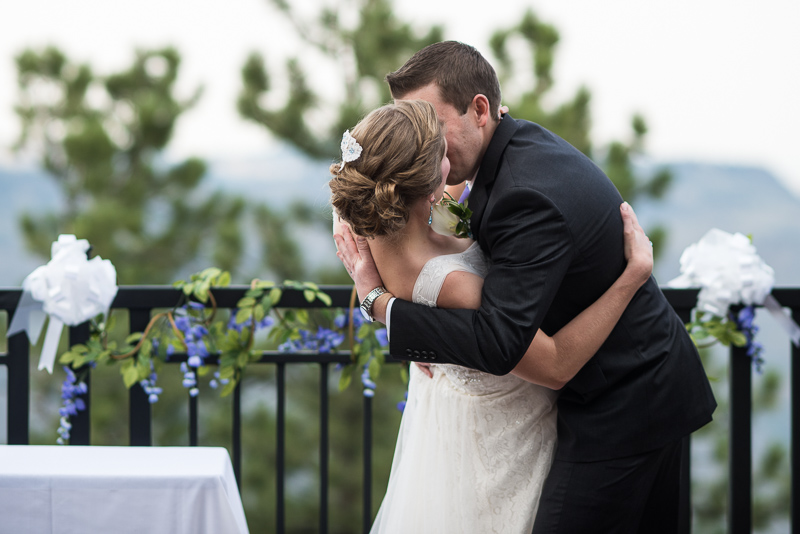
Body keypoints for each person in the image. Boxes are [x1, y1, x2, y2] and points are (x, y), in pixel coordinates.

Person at [334, 42, 717, 533]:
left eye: (430, 122)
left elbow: (503, 343)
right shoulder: (480, 155)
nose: (424, 137)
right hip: (570, 394)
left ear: (480, 110)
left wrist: (381, 303)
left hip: (626, 398)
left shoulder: (525, 194)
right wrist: (377, 293)